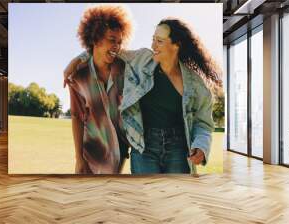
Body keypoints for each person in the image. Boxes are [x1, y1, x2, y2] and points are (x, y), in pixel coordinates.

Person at [65, 17, 222, 175]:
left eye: (159, 41)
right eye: (153, 39)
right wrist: (76, 61)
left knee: (175, 196)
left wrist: (201, 147)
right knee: (145, 197)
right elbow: (106, 49)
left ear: (176, 45)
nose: (153, 46)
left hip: (179, 149)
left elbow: (203, 124)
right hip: (143, 146)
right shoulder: (141, 59)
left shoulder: (196, 85)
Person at [66, 5, 132, 174]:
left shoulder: (125, 70)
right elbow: (76, 117)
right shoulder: (79, 76)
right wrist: (79, 159)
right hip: (91, 155)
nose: (116, 46)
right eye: (112, 40)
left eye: (119, 42)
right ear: (96, 39)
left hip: (119, 152)